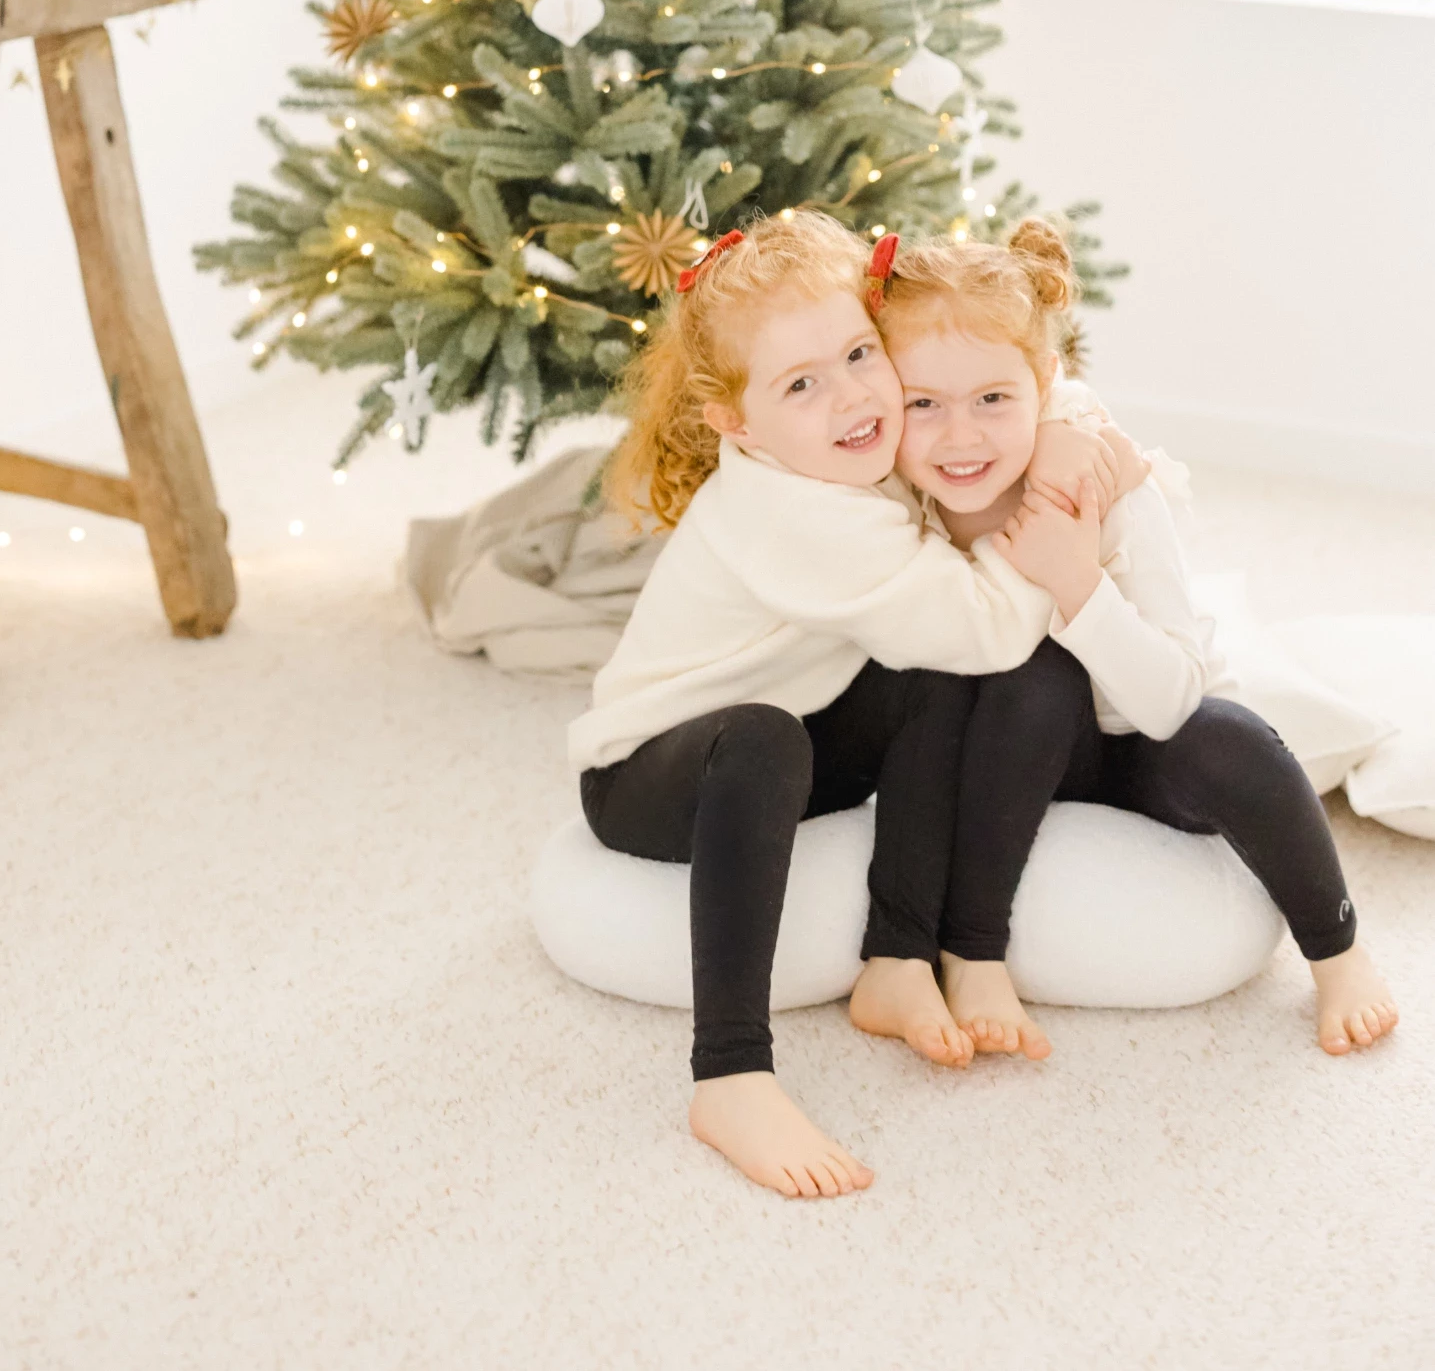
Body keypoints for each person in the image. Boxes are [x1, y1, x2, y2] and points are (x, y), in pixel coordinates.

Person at [571, 209, 1135, 1200]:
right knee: (764, 738)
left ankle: (896, 953)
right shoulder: (789, 512)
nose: (851, 397)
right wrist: (1058, 527)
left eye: (856, 353)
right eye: (801, 383)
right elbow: (989, 626)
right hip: (651, 776)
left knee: (914, 675)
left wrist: (1052, 431)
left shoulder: (847, 457)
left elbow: (1020, 410)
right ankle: (730, 1074)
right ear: (736, 424)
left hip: (794, 717)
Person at [879, 220, 1400, 1064]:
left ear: (1046, 382)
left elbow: (1168, 700)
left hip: (1141, 742)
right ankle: (972, 954)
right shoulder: (897, 498)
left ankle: (1338, 953)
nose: (959, 436)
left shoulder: (1110, 487)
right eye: (922, 405)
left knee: (1230, 737)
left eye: (992, 400)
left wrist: (1074, 578)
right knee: (1032, 675)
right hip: (1004, 755)